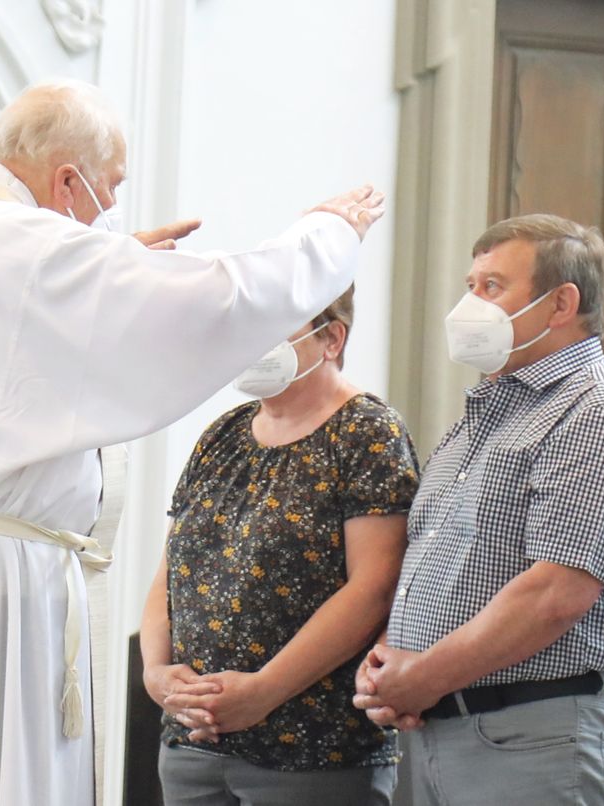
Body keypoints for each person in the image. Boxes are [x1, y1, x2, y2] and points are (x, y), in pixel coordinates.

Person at [0, 78, 387, 806]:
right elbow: (226, 297)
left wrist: (110, 279)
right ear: (64, 179)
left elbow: (6, 342)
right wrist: (329, 233)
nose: (111, 210)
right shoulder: (30, 245)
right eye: (108, 188)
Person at [352, 214, 604, 805]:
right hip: (445, 728)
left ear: (561, 304)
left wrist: (421, 678)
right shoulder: (488, 413)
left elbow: (556, 592)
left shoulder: (603, 412)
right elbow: (439, 560)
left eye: (492, 287)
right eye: (469, 284)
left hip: (540, 736)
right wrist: (389, 655)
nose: (468, 304)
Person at [144, 286, 419, 806]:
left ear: (332, 338)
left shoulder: (367, 433)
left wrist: (264, 691)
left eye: (271, 330)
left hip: (312, 751)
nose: (251, 346)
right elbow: (170, 574)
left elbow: (374, 588)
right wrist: (157, 675)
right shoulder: (222, 434)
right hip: (193, 742)